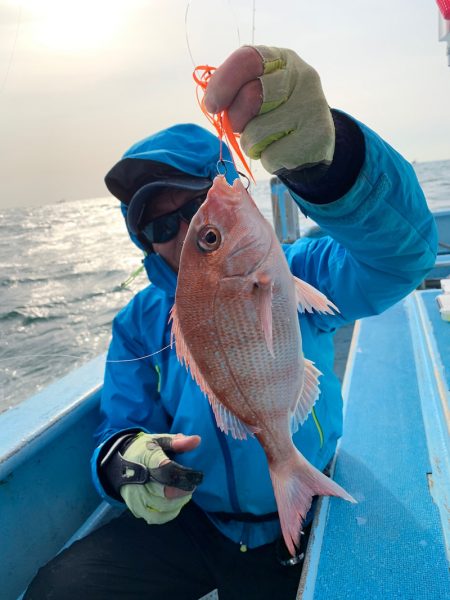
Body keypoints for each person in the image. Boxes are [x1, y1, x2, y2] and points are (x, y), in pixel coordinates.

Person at [25, 45, 437, 600]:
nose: (181, 230)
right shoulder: (140, 323)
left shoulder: (295, 271)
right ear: (144, 242)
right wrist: (132, 466)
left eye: (195, 210)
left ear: (226, 184)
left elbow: (398, 259)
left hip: (308, 510)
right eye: (159, 226)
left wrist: (327, 162)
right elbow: (119, 426)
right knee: (60, 589)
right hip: (199, 522)